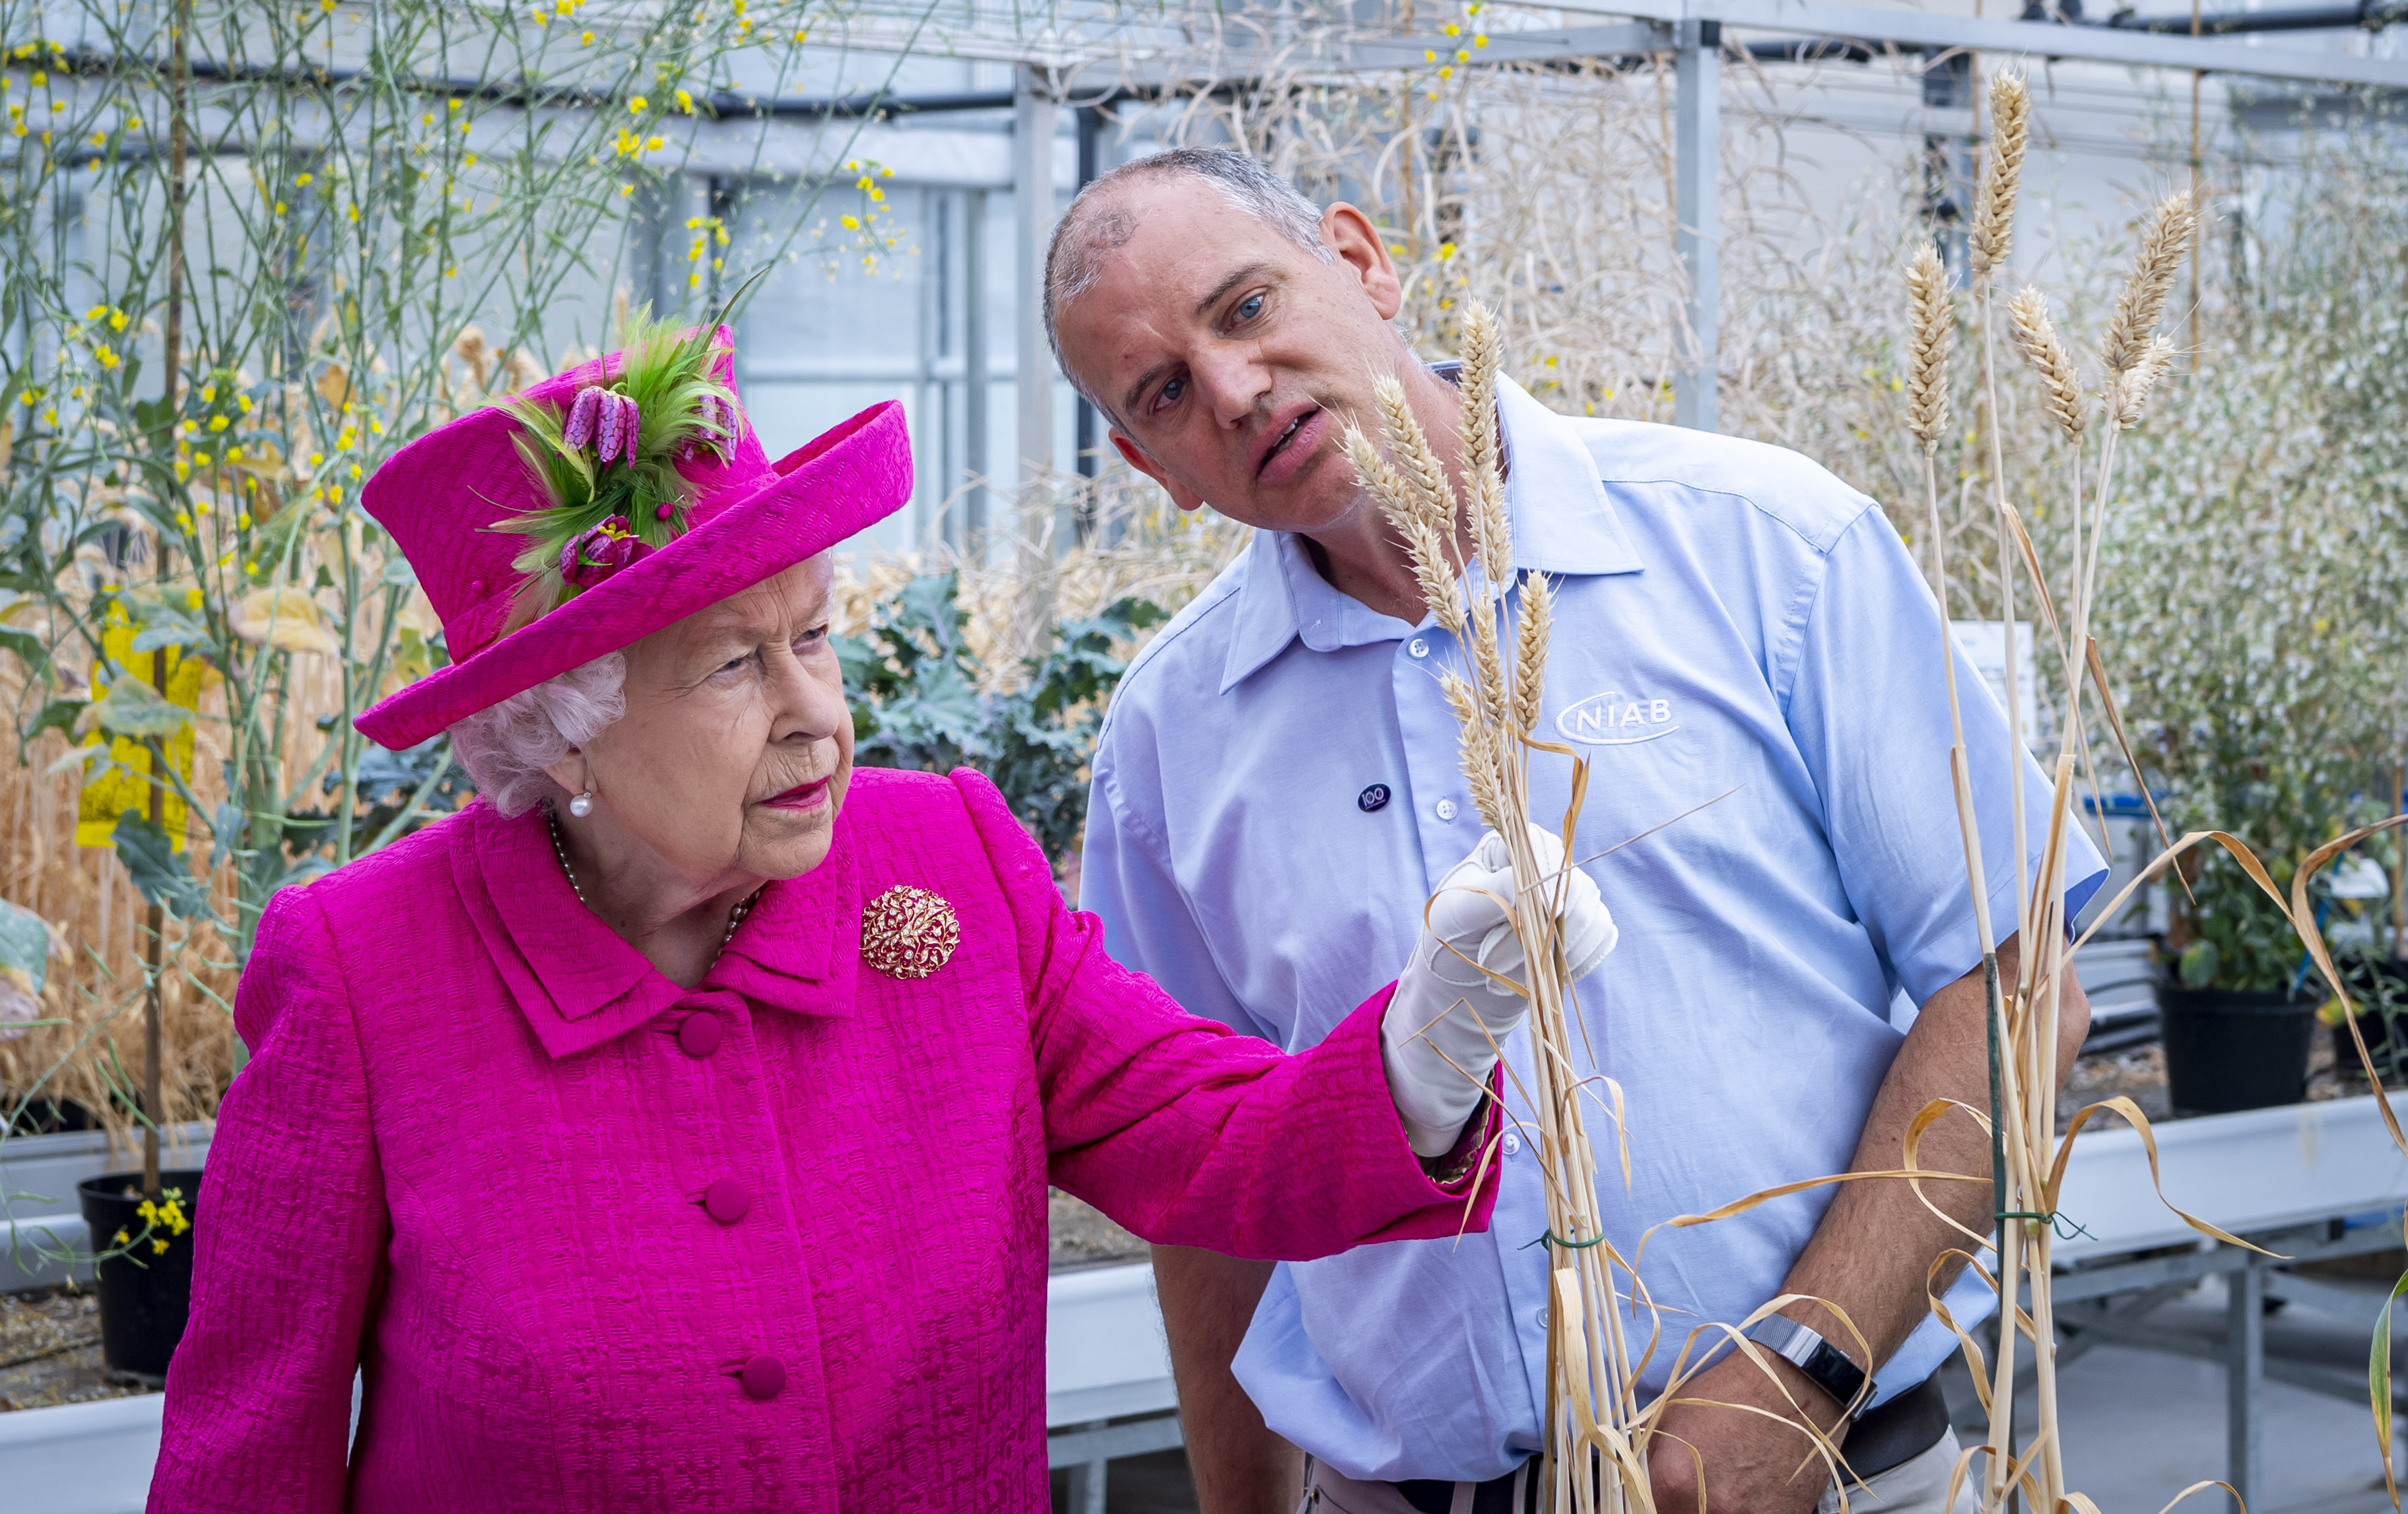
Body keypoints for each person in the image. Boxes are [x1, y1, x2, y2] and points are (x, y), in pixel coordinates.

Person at [149, 315, 1615, 1512]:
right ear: (558, 727)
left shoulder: (949, 859)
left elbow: (1215, 1147)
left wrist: (1426, 1047)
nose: (816, 716)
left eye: (816, 636)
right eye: (734, 668)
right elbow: (246, 1458)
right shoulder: (363, 969)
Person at [1046, 147, 2108, 1514]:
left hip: (1837, 1473)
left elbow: (2021, 984)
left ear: (1364, 262)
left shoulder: (1765, 546)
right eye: (1167, 394)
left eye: (1246, 308)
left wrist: (1801, 1370)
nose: (1238, 390)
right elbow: (1200, 1183)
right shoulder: (1167, 743)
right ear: (1153, 468)